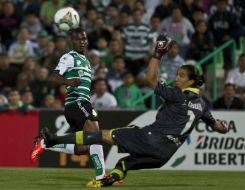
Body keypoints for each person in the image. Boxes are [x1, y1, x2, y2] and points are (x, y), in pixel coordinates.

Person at [32, 34, 228, 187]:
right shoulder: (202, 105)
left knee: (100, 136)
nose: (177, 79)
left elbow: (150, 79)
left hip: (150, 138)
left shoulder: (177, 95)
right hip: (165, 155)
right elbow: (218, 127)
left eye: (181, 76)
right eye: (177, 75)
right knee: (124, 164)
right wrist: (223, 127)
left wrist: (158, 52)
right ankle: (108, 179)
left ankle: (52, 140)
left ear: (191, 81)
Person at [30, 28, 106, 181]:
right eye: (79, 39)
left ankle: (47, 143)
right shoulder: (69, 57)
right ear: (72, 41)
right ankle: (101, 177)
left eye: (84, 38)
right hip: (76, 102)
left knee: (82, 147)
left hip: (83, 103)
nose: (82, 41)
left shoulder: (86, 61)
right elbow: (53, 77)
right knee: (95, 136)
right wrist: (68, 82)